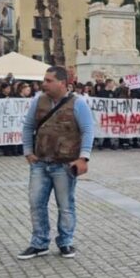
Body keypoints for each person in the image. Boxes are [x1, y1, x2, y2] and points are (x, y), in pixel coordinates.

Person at [18, 66, 95, 260]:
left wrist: (83, 157)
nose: (44, 84)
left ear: (62, 83)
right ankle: (39, 243)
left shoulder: (78, 103)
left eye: (49, 80)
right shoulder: (39, 101)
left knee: (65, 205)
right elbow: (27, 127)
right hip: (40, 163)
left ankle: (66, 242)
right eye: (44, 80)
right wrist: (28, 152)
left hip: (65, 165)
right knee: (36, 204)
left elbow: (88, 130)